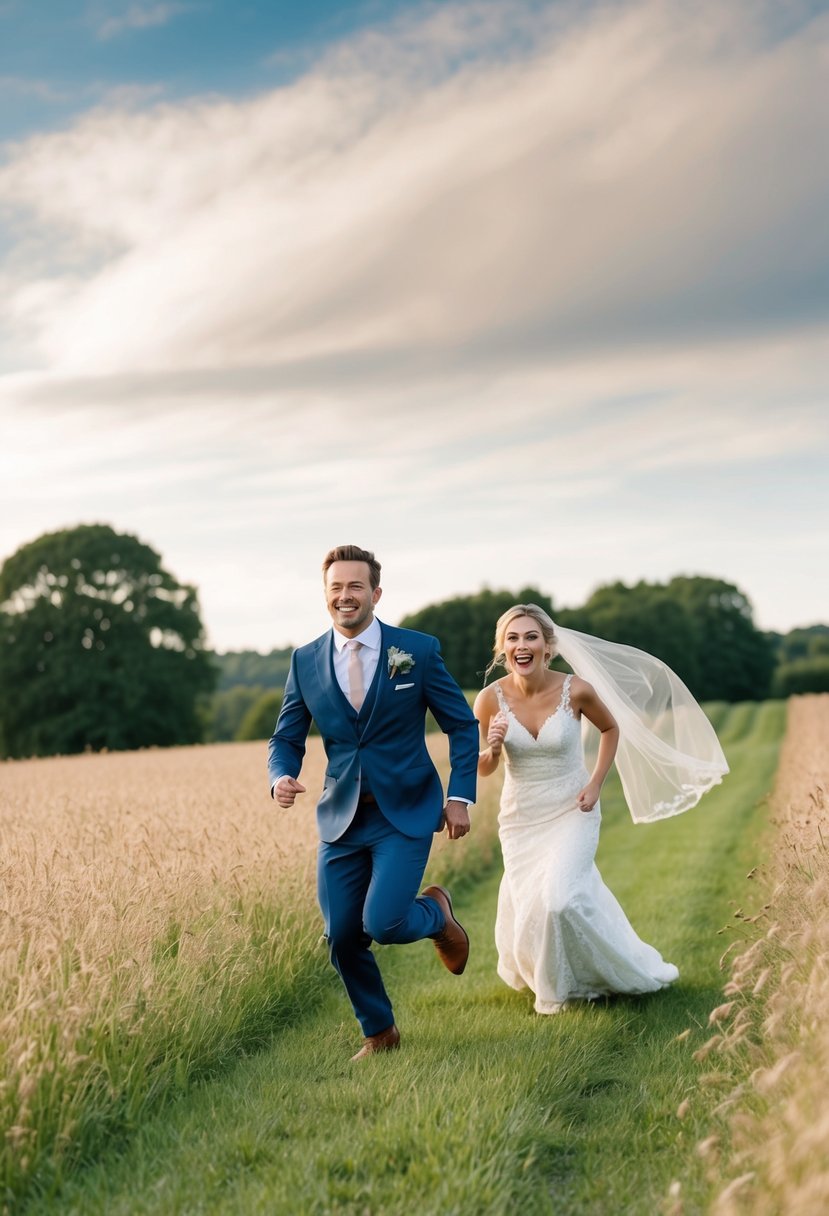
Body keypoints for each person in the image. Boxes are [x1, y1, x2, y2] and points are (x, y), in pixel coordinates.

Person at [269, 545, 479, 1059]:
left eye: (355, 586)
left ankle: (434, 913)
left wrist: (459, 796)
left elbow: (461, 725)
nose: (345, 596)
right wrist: (281, 776)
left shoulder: (417, 650)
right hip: (341, 817)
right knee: (341, 935)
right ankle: (380, 1032)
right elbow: (286, 736)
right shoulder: (305, 661)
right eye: (336, 588)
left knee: (382, 924)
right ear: (326, 595)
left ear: (375, 593)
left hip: (404, 810)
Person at [474, 603, 728, 1014]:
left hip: (573, 809)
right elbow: (482, 769)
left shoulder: (576, 690)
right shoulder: (489, 700)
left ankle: (554, 997)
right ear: (501, 648)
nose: (522, 645)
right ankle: (570, 976)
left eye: (531, 637)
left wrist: (595, 783)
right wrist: (494, 747)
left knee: (559, 899)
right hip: (520, 820)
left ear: (547, 646)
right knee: (534, 904)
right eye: (513, 638)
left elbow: (611, 728)